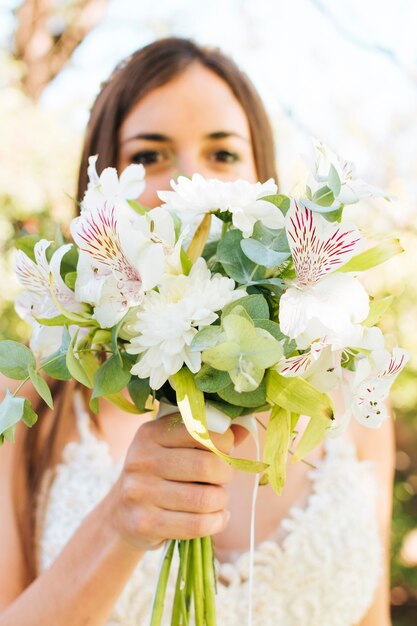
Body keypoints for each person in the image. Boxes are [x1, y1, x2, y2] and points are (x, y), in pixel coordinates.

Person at [0, 37, 394, 625]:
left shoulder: (349, 394)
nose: (191, 184)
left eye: (224, 154)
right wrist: (118, 524)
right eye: (150, 155)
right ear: (103, 192)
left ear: (266, 178)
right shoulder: (33, 403)